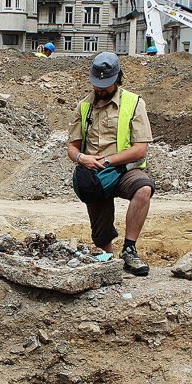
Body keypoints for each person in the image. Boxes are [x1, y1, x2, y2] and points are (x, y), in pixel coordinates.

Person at [67, 52, 155, 276]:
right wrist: (82, 158)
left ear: (118, 79)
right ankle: (107, 260)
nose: (101, 89)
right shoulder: (84, 107)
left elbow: (140, 149)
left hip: (124, 170)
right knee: (102, 240)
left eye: (106, 85)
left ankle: (129, 250)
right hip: (95, 175)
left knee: (143, 189)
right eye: (98, 84)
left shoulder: (134, 103)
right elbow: (72, 147)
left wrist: (108, 160)